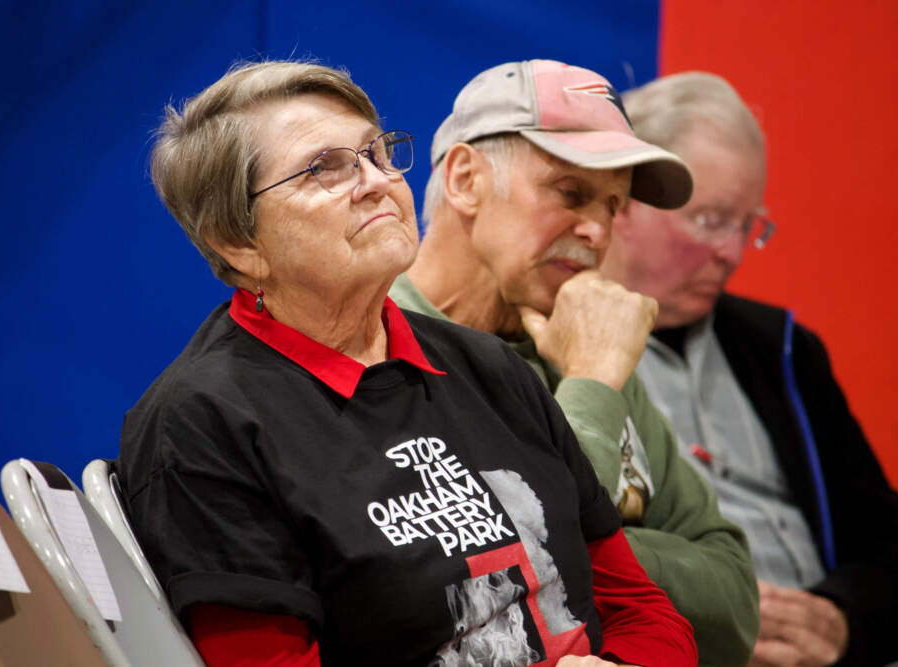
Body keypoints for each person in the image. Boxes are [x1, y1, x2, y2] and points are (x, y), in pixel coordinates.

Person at [116, 60, 697, 667]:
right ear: (237, 240)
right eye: (326, 169)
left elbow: (644, 610)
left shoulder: (488, 366)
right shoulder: (202, 423)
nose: (376, 181)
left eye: (377, 153)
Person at [391, 59, 758, 666]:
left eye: (613, 206)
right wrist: (589, 386)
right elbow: (471, 587)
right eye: (571, 192)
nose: (597, 230)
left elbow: (737, 604)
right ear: (464, 180)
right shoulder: (375, 349)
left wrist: (591, 551)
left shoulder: (588, 342)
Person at [599, 71, 898, 666]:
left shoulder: (779, 350)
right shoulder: (552, 348)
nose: (729, 252)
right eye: (710, 219)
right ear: (624, 201)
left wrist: (842, 621)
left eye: (747, 225)